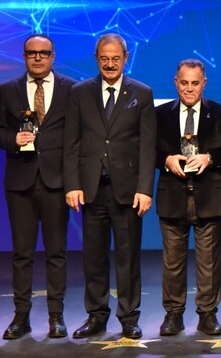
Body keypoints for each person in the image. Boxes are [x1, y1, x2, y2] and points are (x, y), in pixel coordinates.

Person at [63, 33, 157, 339]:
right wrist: (72, 184)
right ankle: (96, 316)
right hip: (91, 190)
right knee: (94, 257)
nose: (110, 64)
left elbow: (148, 147)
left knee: (128, 258)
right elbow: (71, 142)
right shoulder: (79, 92)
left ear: (125, 58)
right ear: (96, 58)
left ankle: (129, 317)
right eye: (104, 58)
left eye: (116, 58)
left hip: (128, 191)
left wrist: (145, 188)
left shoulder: (141, 93)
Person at [0, 34, 76, 339]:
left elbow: (77, 135)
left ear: (53, 56)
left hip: (56, 181)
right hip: (20, 182)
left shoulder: (71, 89)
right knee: (22, 253)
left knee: (57, 252)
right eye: (31, 53)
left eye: (43, 53)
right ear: (24, 56)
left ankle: (56, 316)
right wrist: (13, 139)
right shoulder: (8, 89)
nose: (37, 58)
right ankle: (21, 316)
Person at [154, 59, 221, 337]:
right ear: (176, 82)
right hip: (172, 195)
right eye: (184, 83)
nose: (189, 88)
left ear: (204, 83)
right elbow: (148, 150)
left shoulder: (220, 113)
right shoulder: (160, 114)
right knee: (172, 263)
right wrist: (166, 159)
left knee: (209, 262)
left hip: (209, 196)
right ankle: (173, 315)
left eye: (195, 83)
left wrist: (209, 158)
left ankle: (207, 315)